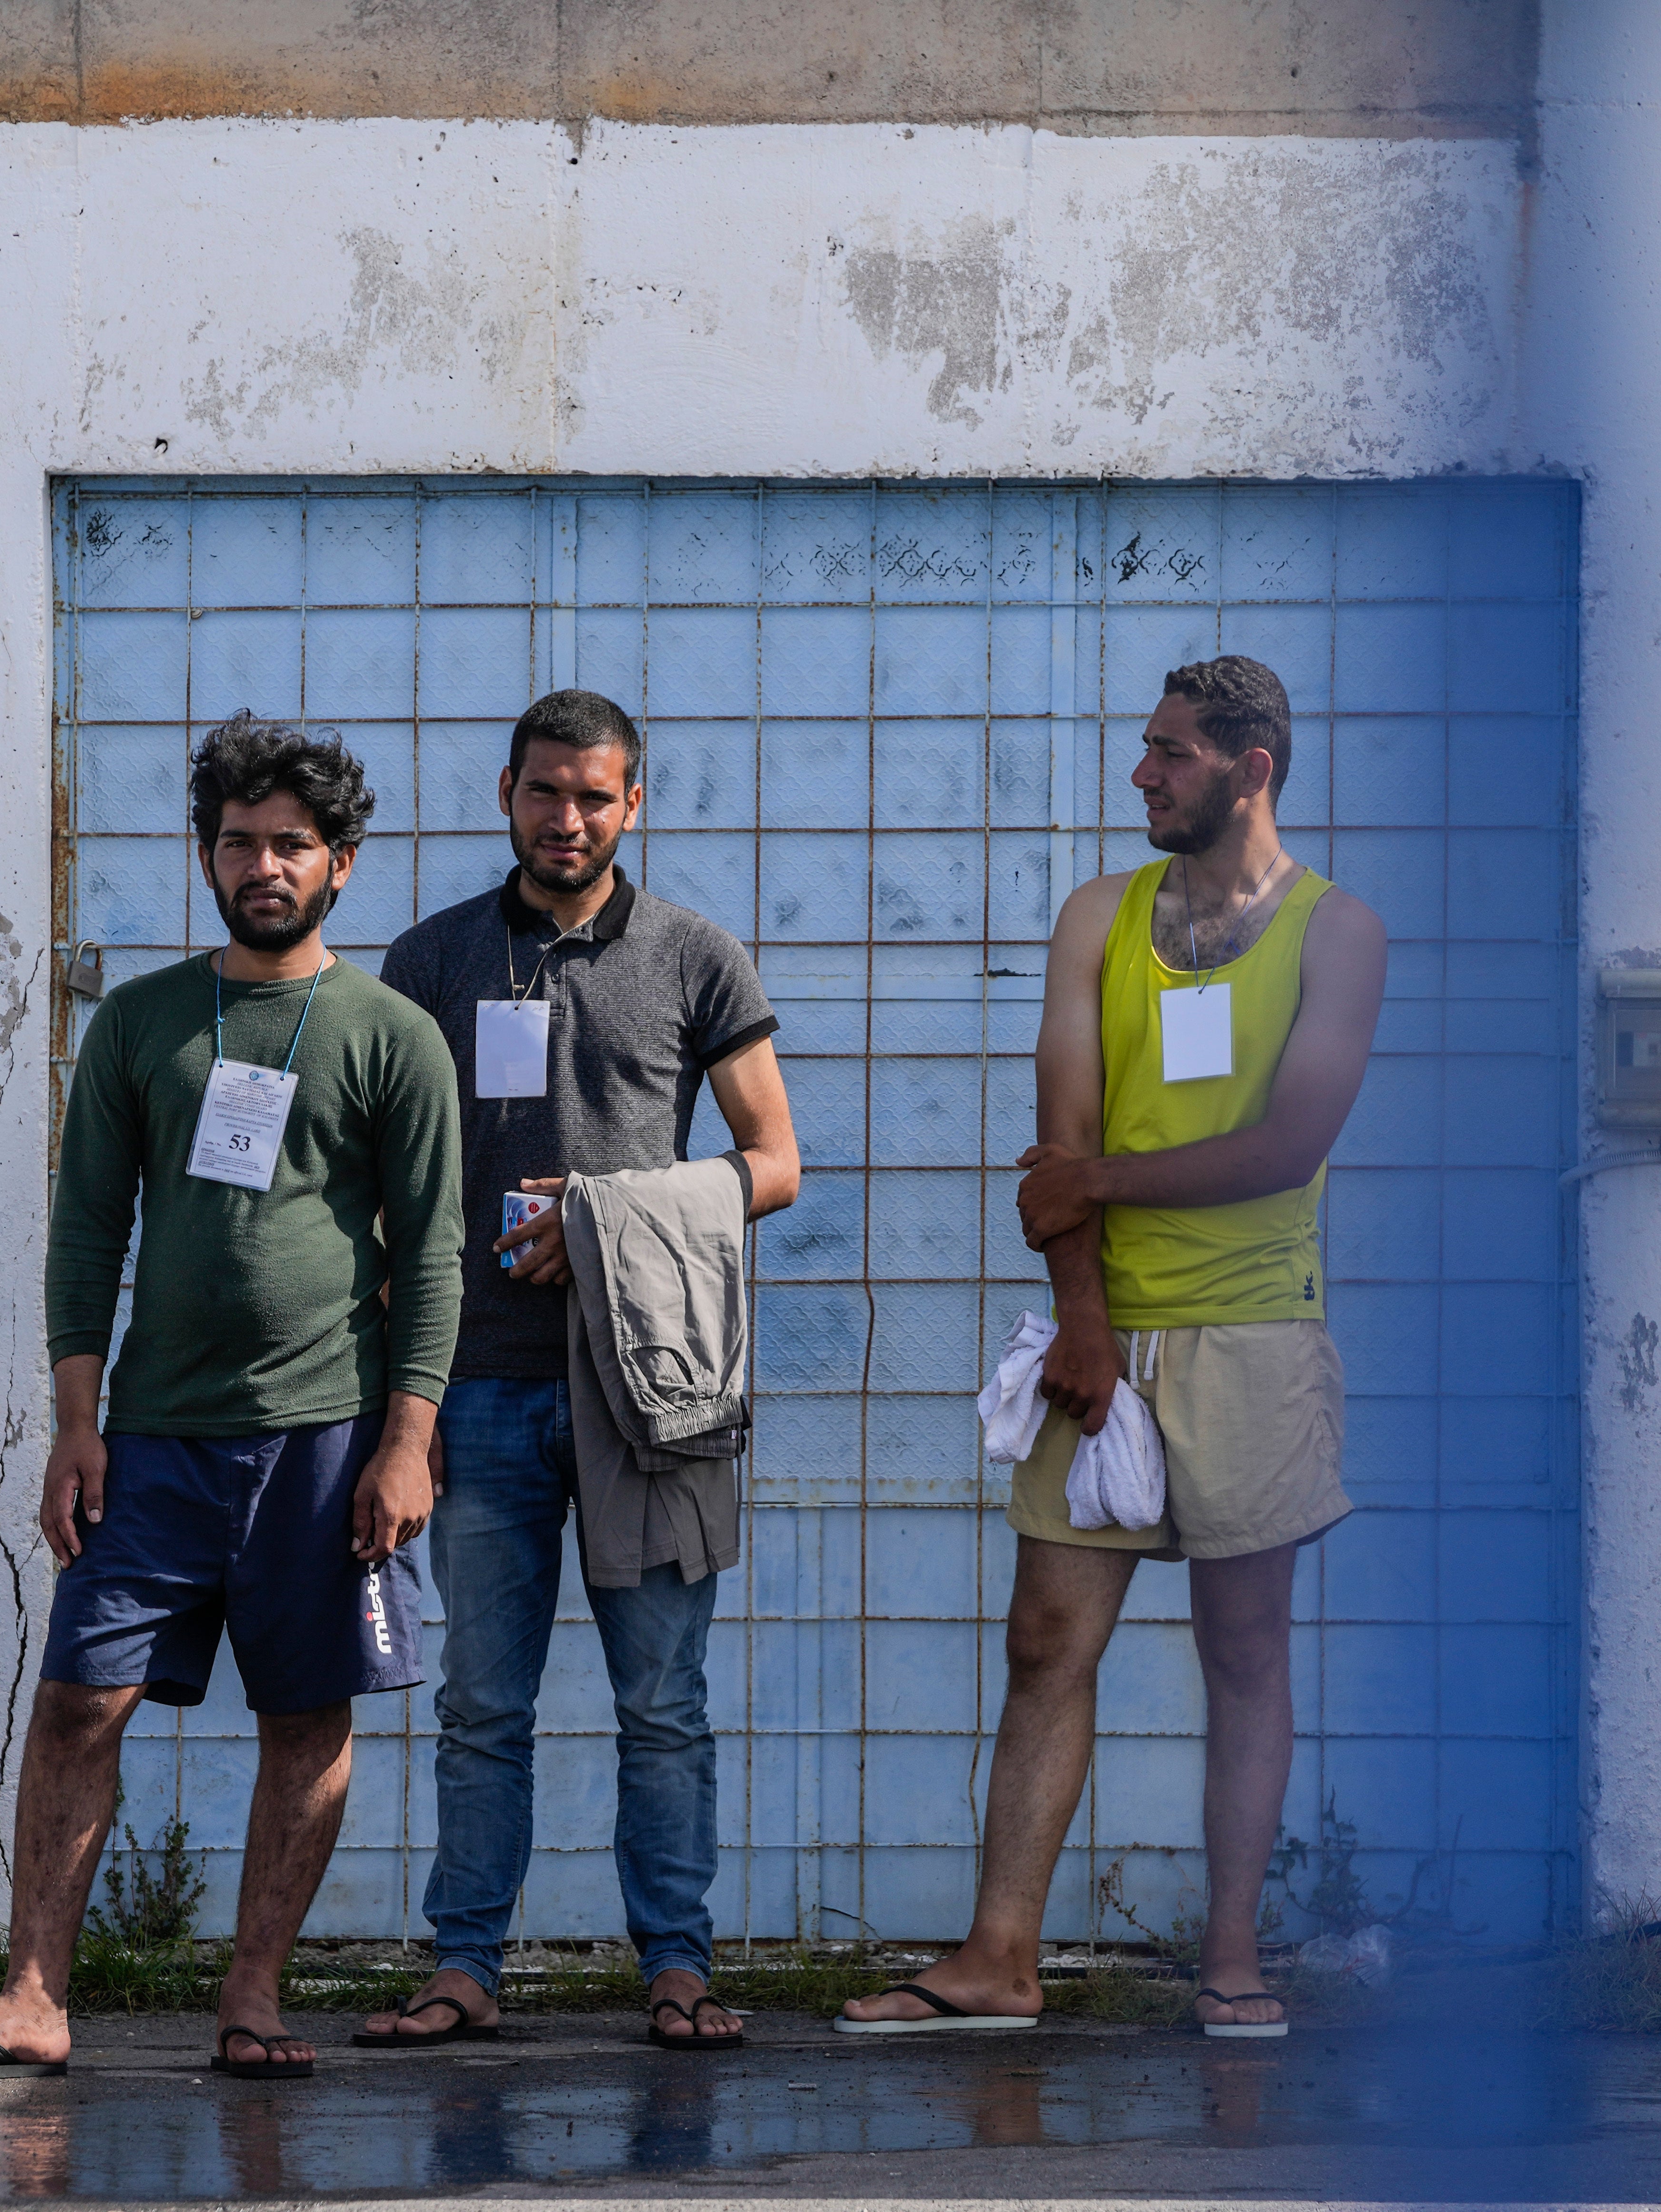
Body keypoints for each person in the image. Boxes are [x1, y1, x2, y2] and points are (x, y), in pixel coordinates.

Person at [0, 712, 462, 2083]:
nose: (264, 866)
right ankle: (33, 1994)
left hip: (327, 1440)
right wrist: (75, 1424)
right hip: (154, 1441)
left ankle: (253, 1992)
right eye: (239, 842)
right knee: (80, 1700)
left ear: (341, 862)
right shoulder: (144, 1023)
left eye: (292, 843)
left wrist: (408, 1441)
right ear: (205, 854)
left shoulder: (393, 1035)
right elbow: (89, 1232)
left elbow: (435, 1251)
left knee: (306, 1716)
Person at [838, 655, 1386, 2040]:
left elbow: (1289, 1147)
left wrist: (1099, 1184)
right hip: (1105, 1330)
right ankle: (999, 1958)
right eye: (1146, 747)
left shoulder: (1339, 933)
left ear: (1252, 770)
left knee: (1244, 1650)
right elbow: (1062, 1145)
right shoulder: (1101, 913)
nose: (1142, 773)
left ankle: (1232, 1959)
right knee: (1046, 1638)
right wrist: (1083, 1317)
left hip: (1257, 1331)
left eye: (1172, 753)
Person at [364, 689, 801, 2054]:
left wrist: (603, 1218)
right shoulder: (433, 959)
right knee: (480, 1707)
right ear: (506, 794)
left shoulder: (695, 956)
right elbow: (383, 1196)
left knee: (663, 1706)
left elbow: (776, 1165)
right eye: (545, 792)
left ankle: (677, 1968)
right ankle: (464, 1969)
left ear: (635, 805)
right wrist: (404, 1409)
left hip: (651, 1394)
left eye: (595, 797)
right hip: (477, 1389)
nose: (568, 819)